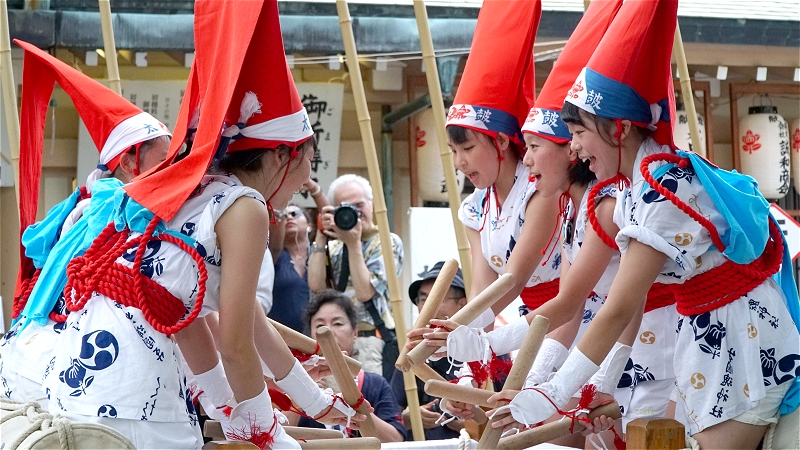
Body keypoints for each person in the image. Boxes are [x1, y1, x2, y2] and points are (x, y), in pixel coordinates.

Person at [42, 2, 360, 448]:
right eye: (310, 160)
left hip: (80, 385)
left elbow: (193, 316)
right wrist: (262, 431)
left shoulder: (196, 190)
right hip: (136, 396)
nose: (309, 179)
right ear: (281, 156)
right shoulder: (245, 205)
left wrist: (302, 402)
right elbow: (234, 343)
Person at [487, 1, 800, 449]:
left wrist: (554, 391)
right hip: (704, 339)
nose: (573, 148)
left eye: (579, 133)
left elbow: (617, 306)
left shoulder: (661, 187)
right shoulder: (636, 187)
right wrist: (592, 384)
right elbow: (621, 306)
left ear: (619, 129)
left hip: (740, 342)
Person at [1, 39, 171, 410]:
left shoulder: (97, 204)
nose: (172, 168)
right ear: (128, 163)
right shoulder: (111, 209)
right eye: (164, 159)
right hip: (66, 359)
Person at [308, 174, 403, 379]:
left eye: (359, 205)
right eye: (345, 207)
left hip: (369, 339)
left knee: (367, 395)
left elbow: (365, 292)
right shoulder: (334, 245)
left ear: (372, 203)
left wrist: (353, 244)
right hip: (333, 341)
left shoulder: (388, 242)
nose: (355, 212)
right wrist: (321, 236)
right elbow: (316, 287)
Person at [299, 289, 406, 443]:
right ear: (310, 334)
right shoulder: (296, 381)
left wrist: (353, 399)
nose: (328, 331)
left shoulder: (375, 384)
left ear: (355, 333)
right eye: (320, 325)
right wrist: (300, 390)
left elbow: (395, 440)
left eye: (337, 323)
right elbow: (277, 434)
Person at [390, 261, 468, 440]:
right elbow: (390, 416)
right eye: (423, 299)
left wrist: (469, 422)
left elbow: (504, 413)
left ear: (462, 303)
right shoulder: (412, 349)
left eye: (438, 298)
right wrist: (411, 418)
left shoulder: (485, 347)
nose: (428, 306)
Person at [268, 179, 330, 331]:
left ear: (310, 226)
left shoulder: (320, 253)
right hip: (281, 337)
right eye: (285, 215)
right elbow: (275, 240)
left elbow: (329, 219)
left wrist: (314, 188)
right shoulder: (273, 255)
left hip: (318, 336)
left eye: (295, 214)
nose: (289, 217)